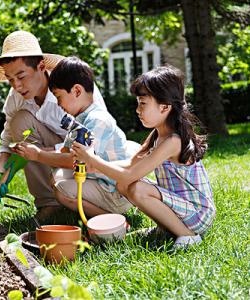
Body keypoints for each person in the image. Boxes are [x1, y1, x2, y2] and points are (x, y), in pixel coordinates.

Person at [72, 65, 216, 248]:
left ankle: (187, 235)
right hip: (183, 208)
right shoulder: (157, 135)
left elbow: (131, 175)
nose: (138, 110)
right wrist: (95, 165)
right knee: (124, 185)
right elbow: (131, 165)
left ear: (164, 107)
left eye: (143, 103)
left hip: (198, 213)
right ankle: (166, 228)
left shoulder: (173, 141)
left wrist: (93, 159)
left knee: (137, 188)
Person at [0, 31, 107, 219]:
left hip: (90, 160)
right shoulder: (15, 98)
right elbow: (7, 142)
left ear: (41, 66)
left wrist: (42, 152)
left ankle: (83, 200)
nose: (16, 86)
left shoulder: (73, 88)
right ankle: (49, 203)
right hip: (59, 152)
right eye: (10, 79)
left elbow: (96, 143)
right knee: (19, 121)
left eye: (21, 76)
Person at [14, 56, 135, 216]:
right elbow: (65, 151)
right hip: (100, 180)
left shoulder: (97, 120)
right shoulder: (80, 119)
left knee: (62, 190)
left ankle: (112, 219)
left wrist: (38, 155)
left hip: (115, 190)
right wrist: (35, 152)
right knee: (57, 177)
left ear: (77, 91)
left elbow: (74, 161)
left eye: (59, 97)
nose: (58, 103)